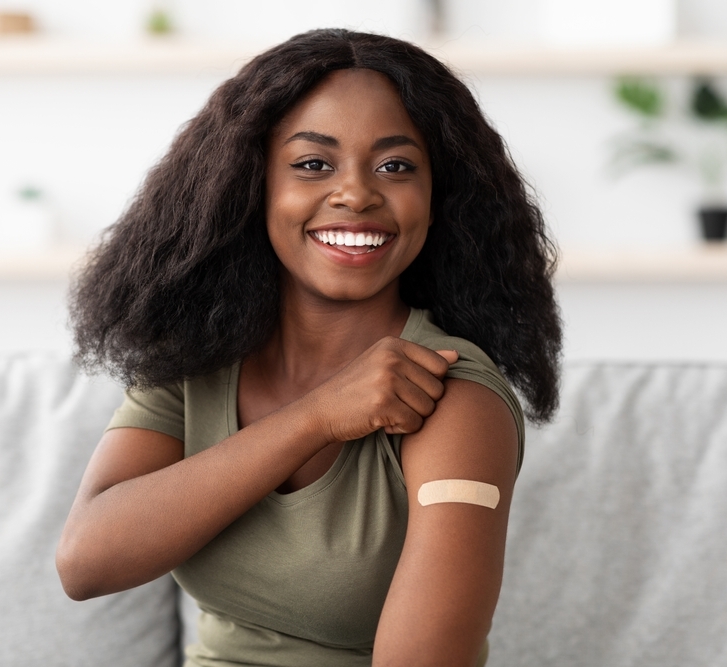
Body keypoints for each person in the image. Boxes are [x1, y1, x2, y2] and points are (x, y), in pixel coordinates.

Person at [57, 29, 561, 667]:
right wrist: (317, 416)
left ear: (437, 201)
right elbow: (85, 563)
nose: (356, 194)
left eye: (396, 166)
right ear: (253, 187)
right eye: (313, 164)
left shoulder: (455, 399)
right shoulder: (196, 357)